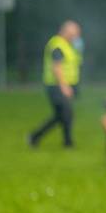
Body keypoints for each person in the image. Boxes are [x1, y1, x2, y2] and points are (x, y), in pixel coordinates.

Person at [29, 20, 83, 149]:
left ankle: (35, 137)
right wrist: (64, 86)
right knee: (66, 113)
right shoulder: (57, 45)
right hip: (56, 86)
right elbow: (56, 67)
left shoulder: (68, 45)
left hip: (65, 85)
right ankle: (67, 143)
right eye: (74, 33)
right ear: (65, 32)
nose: (76, 36)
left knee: (62, 115)